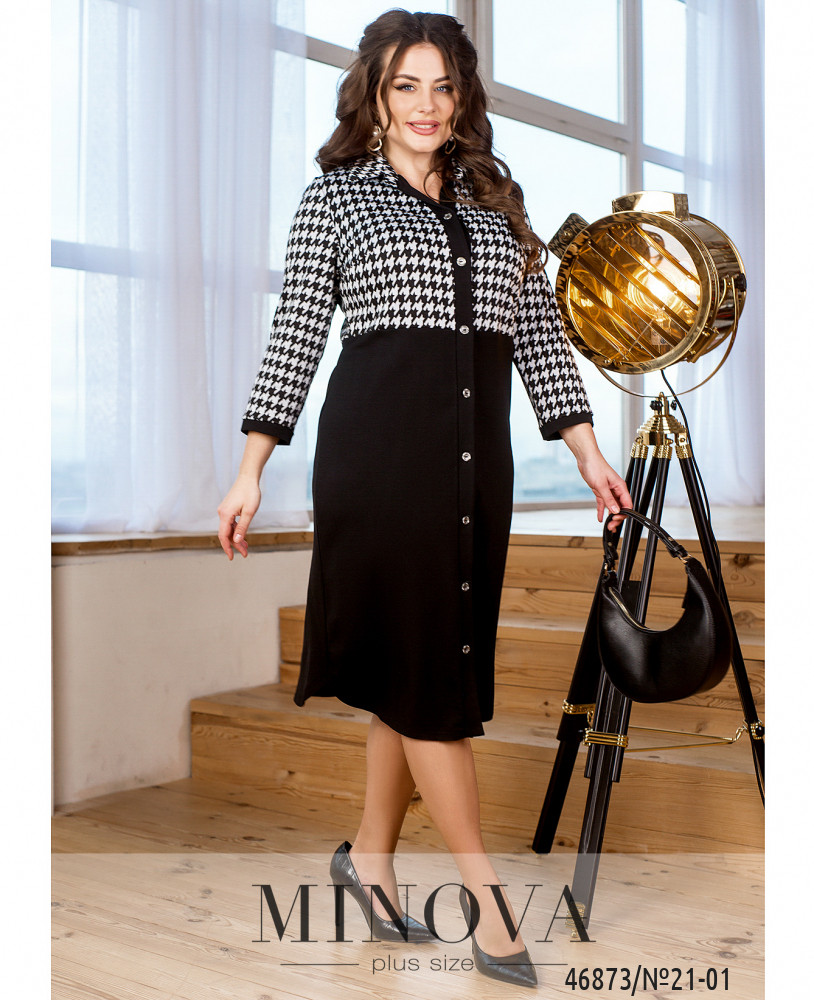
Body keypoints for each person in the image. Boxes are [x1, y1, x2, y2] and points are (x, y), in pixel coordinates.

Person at [217, 9, 632, 989]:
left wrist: (586, 453)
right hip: (377, 472)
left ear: (463, 97)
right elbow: (294, 337)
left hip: (474, 476)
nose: (426, 105)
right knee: (429, 684)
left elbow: (538, 339)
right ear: (374, 93)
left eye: (443, 86)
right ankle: (489, 905)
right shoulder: (337, 199)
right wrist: (250, 468)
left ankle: (368, 858)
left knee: (415, 673)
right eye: (407, 85)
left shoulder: (496, 203)